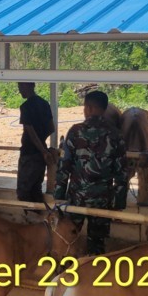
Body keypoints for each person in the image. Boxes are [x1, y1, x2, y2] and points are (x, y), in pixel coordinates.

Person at [54, 89, 127, 255]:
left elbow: (64, 165)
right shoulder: (116, 135)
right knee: (97, 243)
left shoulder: (75, 131)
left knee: (68, 239)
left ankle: (66, 269)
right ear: (105, 108)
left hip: (77, 198)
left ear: (88, 108)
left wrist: (59, 195)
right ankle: (94, 269)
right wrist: (118, 204)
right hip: (102, 200)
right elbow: (121, 173)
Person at [16, 82, 55, 202]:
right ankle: (37, 212)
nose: (20, 90)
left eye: (21, 87)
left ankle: (30, 213)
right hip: (40, 155)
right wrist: (42, 142)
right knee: (36, 189)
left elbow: (31, 133)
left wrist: (43, 151)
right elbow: (51, 128)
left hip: (29, 153)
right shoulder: (45, 104)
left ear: (29, 86)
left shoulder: (26, 107)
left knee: (23, 191)